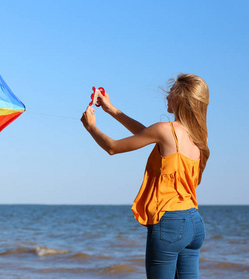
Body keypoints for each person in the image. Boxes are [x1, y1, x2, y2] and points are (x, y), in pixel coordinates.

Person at [81, 74, 209, 278]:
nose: (167, 97)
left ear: (181, 99)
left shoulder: (165, 131)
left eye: (171, 93)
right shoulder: (198, 136)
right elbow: (145, 134)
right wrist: (112, 110)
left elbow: (112, 147)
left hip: (169, 223)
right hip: (194, 223)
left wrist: (91, 127)